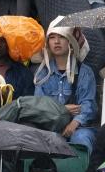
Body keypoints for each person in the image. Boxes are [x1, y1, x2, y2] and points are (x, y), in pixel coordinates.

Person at [33, 17, 98, 153]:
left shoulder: (85, 72)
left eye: (61, 37)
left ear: (70, 41)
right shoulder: (43, 73)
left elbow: (88, 104)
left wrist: (74, 123)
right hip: (50, 128)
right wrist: (62, 109)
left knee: (82, 139)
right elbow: (38, 107)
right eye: (52, 37)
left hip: (80, 128)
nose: (56, 42)